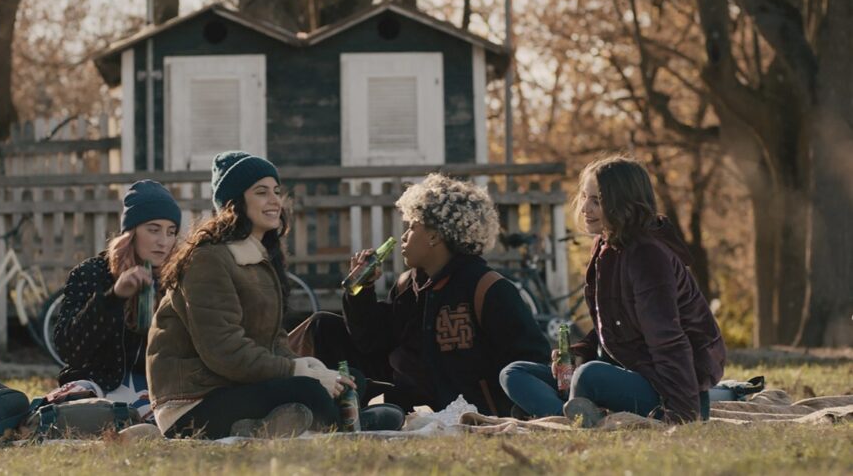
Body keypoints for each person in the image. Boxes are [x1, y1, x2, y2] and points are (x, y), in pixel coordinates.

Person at [146, 151, 403, 439]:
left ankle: (278, 425)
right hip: (195, 401)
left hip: (236, 386)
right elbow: (225, 352)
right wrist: (298, 372)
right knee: (308, 390)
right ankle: (344, 423)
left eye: (277, 192)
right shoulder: (207, 260)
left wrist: (311, 366)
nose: (275, 200)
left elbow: (273, 342)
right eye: (261, 192)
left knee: (351, 379)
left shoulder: (262, 261)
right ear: (236, 202)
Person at [292, 173, 551, 416]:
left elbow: (530, 359)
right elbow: (371, 341)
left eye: (412, 227)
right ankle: (300, 399)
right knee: (322, 326)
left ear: (435, 236)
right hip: (406, 400)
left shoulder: (488, 288)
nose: (403, 236)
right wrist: (361, 290)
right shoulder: (408, 285)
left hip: (465, 407)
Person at [499, 156, 727, 425]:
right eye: (584, 197)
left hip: (669, 387)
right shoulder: (606, 244)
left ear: (624, 204)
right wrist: (582, 350)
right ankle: (577, 414)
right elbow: (615, 321)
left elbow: (668, 338)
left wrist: (683, 413)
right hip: (624, 368)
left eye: (597, 201)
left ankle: (564, 412)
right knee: (514, 373)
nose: (585, 208)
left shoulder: (648, 255)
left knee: (589, 377)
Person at [53, 180, 182, 421]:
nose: (163, 241)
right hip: (100, 383)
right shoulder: (92, 273)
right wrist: (113, 297)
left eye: (171, 231)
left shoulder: (180, 277)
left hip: (157, 388)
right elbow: (68, 348)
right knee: (83, 409)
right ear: (130, 232)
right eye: (153, 229)